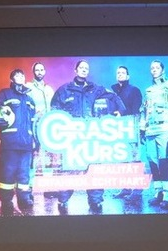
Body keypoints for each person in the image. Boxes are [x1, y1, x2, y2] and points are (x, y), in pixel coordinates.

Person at [49, 60, 126, 214]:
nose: (84, 70)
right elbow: (54, 111)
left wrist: (121, 110)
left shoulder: (95, 89)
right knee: (68, 170)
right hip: (71, 139)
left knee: (95, 169)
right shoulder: (64, 90)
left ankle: (95, 201)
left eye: (86, 68)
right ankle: (63, 200)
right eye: (81, 68)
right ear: (75, 70)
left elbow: (114, 96)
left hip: (91, 138)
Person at [0, 69, 37, 216]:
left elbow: (33, 123)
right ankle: (7, 202)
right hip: (9, 143)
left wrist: (35, 141)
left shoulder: (29, 100)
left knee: (24, 175)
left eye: (22, 75)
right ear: (12, 78)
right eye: (17, 75)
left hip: (26, 144)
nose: (20, 77)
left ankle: (24, 199)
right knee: (7, 174)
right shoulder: (4, 94)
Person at [140, 59, 168, 210]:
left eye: (157, 67)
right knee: (153, 163)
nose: (154, 69)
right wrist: (142, 128)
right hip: (150, 130)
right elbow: (143, 111)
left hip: (165, 129)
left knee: (165, 163)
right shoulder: (148, 91)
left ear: (162, 70)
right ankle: (158, 193)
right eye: (152, 68)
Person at [112, 65, 143, 200]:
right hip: (118, 130)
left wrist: (122, 113)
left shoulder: (134, 90)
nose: (120, 74)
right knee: (122, 160)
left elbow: (136, 111)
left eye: (123, 72)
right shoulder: (113, 91)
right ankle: (125, 188)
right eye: (118, 72)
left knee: (134, 158)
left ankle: (137, 189)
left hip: (131, 128)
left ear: (128, 76)